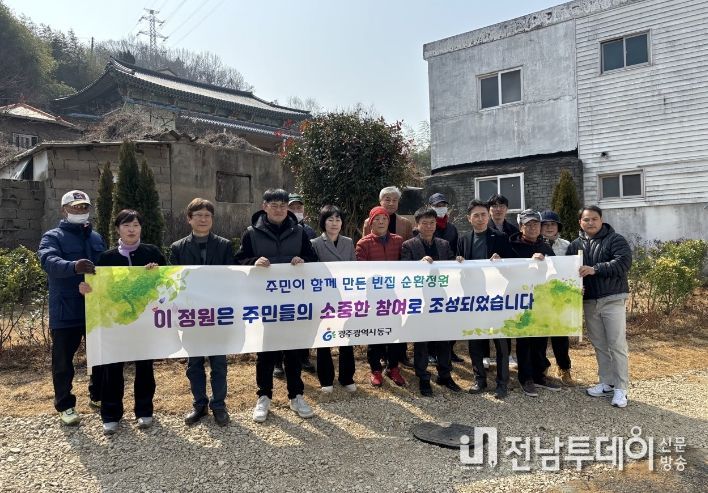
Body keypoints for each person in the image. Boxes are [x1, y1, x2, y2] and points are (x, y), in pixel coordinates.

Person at [79, 209, 166, 435]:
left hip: (144, 322)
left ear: (141, 228)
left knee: (145, 367)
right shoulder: (106, 258)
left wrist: (157, 273)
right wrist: (86, 288)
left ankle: (144, 411)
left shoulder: (153, 253)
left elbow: (167, 284)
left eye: (135, 225)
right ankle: (111, 414)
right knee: (112, 368)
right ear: (118, 229)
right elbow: (98, 289)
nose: (131, 230)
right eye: (126, 225)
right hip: (115, 324)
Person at [235, 189, 318, 422]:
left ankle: (296, 395)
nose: (279, 209)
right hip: (265, 303)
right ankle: (264, 396)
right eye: (274, 205)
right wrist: (253, 261)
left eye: (283, 205)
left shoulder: (299, 232)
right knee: (266, 352)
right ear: (265, 206)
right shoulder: (251, 233)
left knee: (293, 351)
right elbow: (238, 260)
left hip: (293, 302)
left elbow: (313, 259)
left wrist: (303, 260)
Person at [38, 190, 105, 426]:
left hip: (95, 307)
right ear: (64, 210)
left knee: (99, 357)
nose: (80, 210)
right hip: (66, 310)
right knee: (63, 362)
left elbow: (108, 265)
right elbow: (48, 261)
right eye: (75, 207)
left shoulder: (96, 237)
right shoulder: (52, 237)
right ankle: (65, 405)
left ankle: (98, 396)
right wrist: (73, 266)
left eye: (84, 207)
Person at [169, 198, 233, 426]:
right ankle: (199, 405)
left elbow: (232, 278)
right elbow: (173, 281)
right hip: (191, 315)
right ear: (189, 219)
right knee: (194, 364)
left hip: (217, 314)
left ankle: (219, 405)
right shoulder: (178, 248)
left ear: (212, 219)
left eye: (207, 215)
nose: (203, 219)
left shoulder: (225, 245)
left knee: (219, 364)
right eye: (198, 215)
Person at [567, 206, 632, 408]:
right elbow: (569, 273)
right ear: (580, 222)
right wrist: (574, 287)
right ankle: (607, 382)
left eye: (594, 219)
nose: (590, 223)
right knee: (600, 344)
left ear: (601, 220)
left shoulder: (615, 239)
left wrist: (595, 269)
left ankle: (621, 388)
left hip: (612, 298)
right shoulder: (574, 245)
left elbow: (623, 263)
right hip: (589, 301)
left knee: (617, 345)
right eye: (586, 219)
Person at [456, 200, 514, 399]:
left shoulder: (501, 238)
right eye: (476, 215)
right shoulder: (464, 239)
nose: (480, 219)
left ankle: (502, 383)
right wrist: (458, 262)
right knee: (475, 341)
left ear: (488, 216)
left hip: (496, 297)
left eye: (483, 215)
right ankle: (479, 379)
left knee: (501, 342)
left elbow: (514, 266)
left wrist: (502, 261)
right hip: (473, 297)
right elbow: (458, 267)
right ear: (469, 218)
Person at [401, 207, 461, 397]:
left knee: (444, 339)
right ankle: (423, 376)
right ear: (417, 225)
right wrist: (418, 265)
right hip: (420, 301)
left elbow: (452, 268)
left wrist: (458, 261)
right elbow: (404, 272)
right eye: (424, 223)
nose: (428, 226)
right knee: (422, 341)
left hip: (441, 300)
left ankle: (445, 375)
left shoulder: (444, 244)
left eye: (432, 223)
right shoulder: (408, 245)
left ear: (436, 224)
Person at [508, 209, 560, 398]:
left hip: (542, 300)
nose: (532, 228)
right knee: (524, 340)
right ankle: (525, 378)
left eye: (536, 224)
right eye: (528, 224)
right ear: (521, 227)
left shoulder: (545, 246)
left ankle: (539, 375)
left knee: (540, 339)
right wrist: (529, 263)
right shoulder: (511, 246)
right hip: (520, 300)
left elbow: (557, 271)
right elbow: (506, 271)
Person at [362, 186, 414, 367]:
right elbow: (366, 247)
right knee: (379, 317)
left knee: (399, 316)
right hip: (376, 284)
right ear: (380, 201)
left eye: (395, 200)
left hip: (398, 282)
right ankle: (381, 357)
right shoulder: (368, 222)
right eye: (387, 199)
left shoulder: (405, 223)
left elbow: (408, 249)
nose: (391, 203)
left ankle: (400, 355)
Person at [356, 206, 406, 387]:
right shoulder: (363, 243)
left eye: (384, 218)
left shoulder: (398, 241)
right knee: (375, 333)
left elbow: (405, 266)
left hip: (395, 296)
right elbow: (360, 270)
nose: (381, 222)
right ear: (370, 222)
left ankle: (393, 367)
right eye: (376, 219)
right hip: (373, 297)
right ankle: (375, 369)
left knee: (395, 332)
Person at [310, 205, 357, 394]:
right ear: (323, 222)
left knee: (346, 338)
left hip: (345, 297)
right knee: (325, 338)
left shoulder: (348, 242)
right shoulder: (315, 243)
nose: (335, 223)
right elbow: (313, 272)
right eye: (330, 219)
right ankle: (326, 379)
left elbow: (354, 268)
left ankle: (347, 377)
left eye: (338, 219)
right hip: (324, 298)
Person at [424, 192, 463, 363]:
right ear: (430, 207)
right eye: (437, 205)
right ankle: (431, 351)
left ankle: (448, 350)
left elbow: (455, 250)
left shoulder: (452, 228)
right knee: (432, 314)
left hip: (449, 278)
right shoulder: (424, 227)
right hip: (429, 279)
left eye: (443, 205)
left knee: (450, 314)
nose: (441, 208)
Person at [283, 193, 316, 375]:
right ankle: (278, 361)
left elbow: (312, 256)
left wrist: (304, 260)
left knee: (304, 320)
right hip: (281, 285)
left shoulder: (309, 231)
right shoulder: (279, 228)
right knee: (281, 320)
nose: (296, 210)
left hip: (304, 284)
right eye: (292, 207)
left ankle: (304, 357)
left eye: (299, 207)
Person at [540, 210, 573, 385]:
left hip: (560, 296)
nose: (549, 227)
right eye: (545, 224)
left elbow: (574, 269)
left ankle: (564, 367)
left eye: (552, 224)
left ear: (558, 227)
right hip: (540, 296)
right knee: (540, 335)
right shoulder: (534, 244)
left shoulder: (567, 245)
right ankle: (542, 367)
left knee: (560, 335)